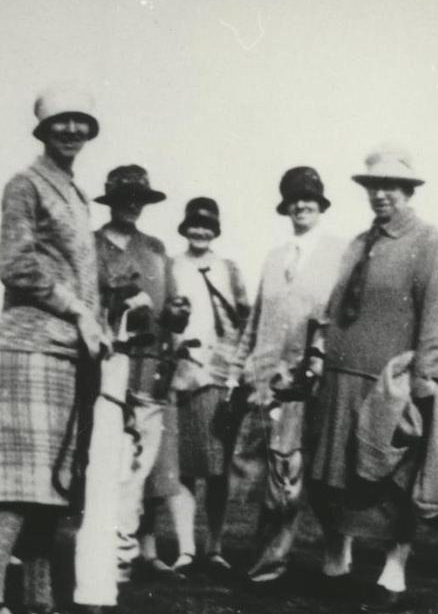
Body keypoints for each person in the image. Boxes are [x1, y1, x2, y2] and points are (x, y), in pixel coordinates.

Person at [307, 145, 438, 613]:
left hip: (391, 381)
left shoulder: (429, 242)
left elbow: (437, 315)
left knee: (393, 480)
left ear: (409, 190)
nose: (381, 195)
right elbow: (333, 310)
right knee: (333, 478)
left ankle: (394, 571)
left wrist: (424, 377)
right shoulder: (357, 243)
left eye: (390, 186)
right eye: (373, 186)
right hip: (341, 377)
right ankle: (336, 561)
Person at [0, 85, 107, 614]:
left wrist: (94, 319)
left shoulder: (75, 193)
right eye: (61, 122)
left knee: (52, 483)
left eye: (80, 122)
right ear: (43, 130)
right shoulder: (24, 185)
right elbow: (16, 265)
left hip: (67, 351)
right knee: (16, 482)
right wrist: (79, 310)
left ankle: (40, 599)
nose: (71, 130)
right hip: (27, 346)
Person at [229, 167, 346, 586]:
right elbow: (255, 319)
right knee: (276, 475)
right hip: (269, 385)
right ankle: (269, 563)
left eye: (309, 198)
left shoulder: (339, 252)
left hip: (316, 381)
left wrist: (320, 361)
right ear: (286, 206)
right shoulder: (275, 257)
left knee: (322, 473)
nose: (301, 205)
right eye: (294, 199)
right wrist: (239, 370)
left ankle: (338, 553)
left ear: (321, 204)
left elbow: (340, 318)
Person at [88, 165, 176, 580]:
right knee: (109, 461)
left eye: (138, 198)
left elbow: (170, 309)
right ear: (112, 201)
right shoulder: (91, 247)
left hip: (151, 370)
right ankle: (106, 551)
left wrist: (177, 314)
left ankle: (122, 551)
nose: (132, 205)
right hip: (106, 369)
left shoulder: (156, 250)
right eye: (125, 197)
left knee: (140, 466)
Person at [165, 197, 250, 575]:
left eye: (207, 226)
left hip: (221, 377)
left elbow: (244, 320)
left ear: (216, 231)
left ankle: (214, 546)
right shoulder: (172, 267)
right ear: (185, 228)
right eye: (194, 225)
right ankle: (185, 547)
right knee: (183, 467)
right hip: (183, 375)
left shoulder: (229, 269)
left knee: (217, 470)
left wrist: (235, 370)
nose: (200, 232)